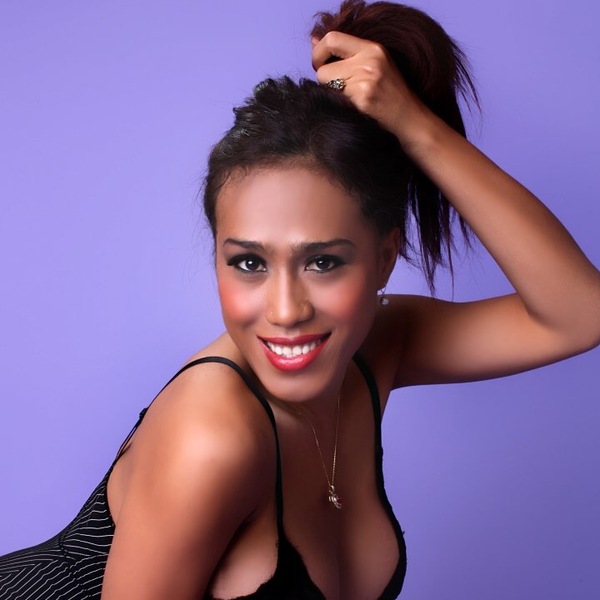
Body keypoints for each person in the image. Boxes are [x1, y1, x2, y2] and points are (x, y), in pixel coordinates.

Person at [1, 0, 598, 598]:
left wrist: (415, 127)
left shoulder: (377, 348)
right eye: (249, 263)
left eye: (323, 262)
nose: (285, 311)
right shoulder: (213, 436)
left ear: (385, 258)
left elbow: (579, 314)